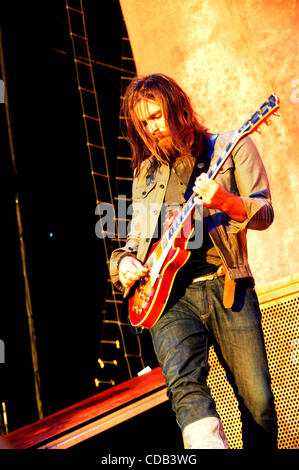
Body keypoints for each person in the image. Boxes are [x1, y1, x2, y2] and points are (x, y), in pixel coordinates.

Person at [109, 73, 278, 449]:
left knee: (261, 406)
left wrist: (226, 202)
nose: (151, 130)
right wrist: (123, 263)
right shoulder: (144, 174)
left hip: (227, 286)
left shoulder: (232, 146)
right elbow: (134, 241)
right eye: (142, 124)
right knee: (188, 393)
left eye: (156, 117)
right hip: (168, 300)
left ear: (177, 109)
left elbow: (265, 213)